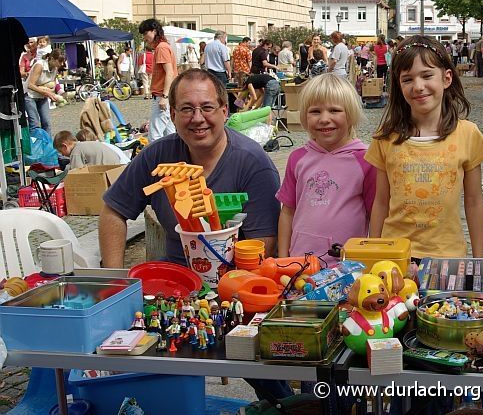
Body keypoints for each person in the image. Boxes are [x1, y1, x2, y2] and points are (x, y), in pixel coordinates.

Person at [99, 68, 291, 401]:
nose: (197, 118)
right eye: (186, 109)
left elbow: (265, 246)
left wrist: (230, 295)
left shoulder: (252, 162)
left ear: (225, 111)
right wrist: (116, 280)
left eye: (207, 108)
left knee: (253, 362)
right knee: (139, 347)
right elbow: (113, 211)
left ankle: (284, 403)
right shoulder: (159, 155)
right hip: (173, 283)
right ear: (172, 114)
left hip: (236, 284)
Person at [366, 35, 483, 259]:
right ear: (398, 85)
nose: (418, 86)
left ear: (446, 78)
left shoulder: (468, 134)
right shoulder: (385, 137)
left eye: (426, 75)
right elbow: (381, 202)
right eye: (407, 79)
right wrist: (373, 253)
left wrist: (479, 259)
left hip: (447, 256)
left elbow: (473, 202)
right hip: (393, 256)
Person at [276, 74, 376, 258]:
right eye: (315, 111)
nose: (324, 118)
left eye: (334, 110)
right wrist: (283, 259)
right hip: (299, 261)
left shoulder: (366, 160)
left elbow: (376, 214)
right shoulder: (298, 158)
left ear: (351, 114)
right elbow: (287, 212)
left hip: (346, 266)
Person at [138, 19, 177, 142]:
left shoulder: (161, 48)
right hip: (167, 94)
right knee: (170, 134)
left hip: (162, 94)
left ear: (154, 31)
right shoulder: (164, 46)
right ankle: (172, 159)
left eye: (145, 34)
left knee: (154, 135)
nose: (144, 38)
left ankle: (155, 160)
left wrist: (164, 97)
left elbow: (169, 72)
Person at [25, 49, 66, 135]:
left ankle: (48, 146)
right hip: (30, 96)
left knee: (46, 123)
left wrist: (54, 93)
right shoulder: (40, 66)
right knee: (34, 124)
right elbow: (30, 85)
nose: (61, 64)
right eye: (60, 61)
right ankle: (35, 146)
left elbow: (53, 84)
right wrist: (47, 92)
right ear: (52, 59)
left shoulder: (55, 69)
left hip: (42, 97)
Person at [53, 130, 121, 169]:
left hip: (108, 168)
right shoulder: (84, 145)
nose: (62, 154)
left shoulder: (76, 151)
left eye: (61, 151)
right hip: (116, 164)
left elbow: (76, 171)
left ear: (65, 146)